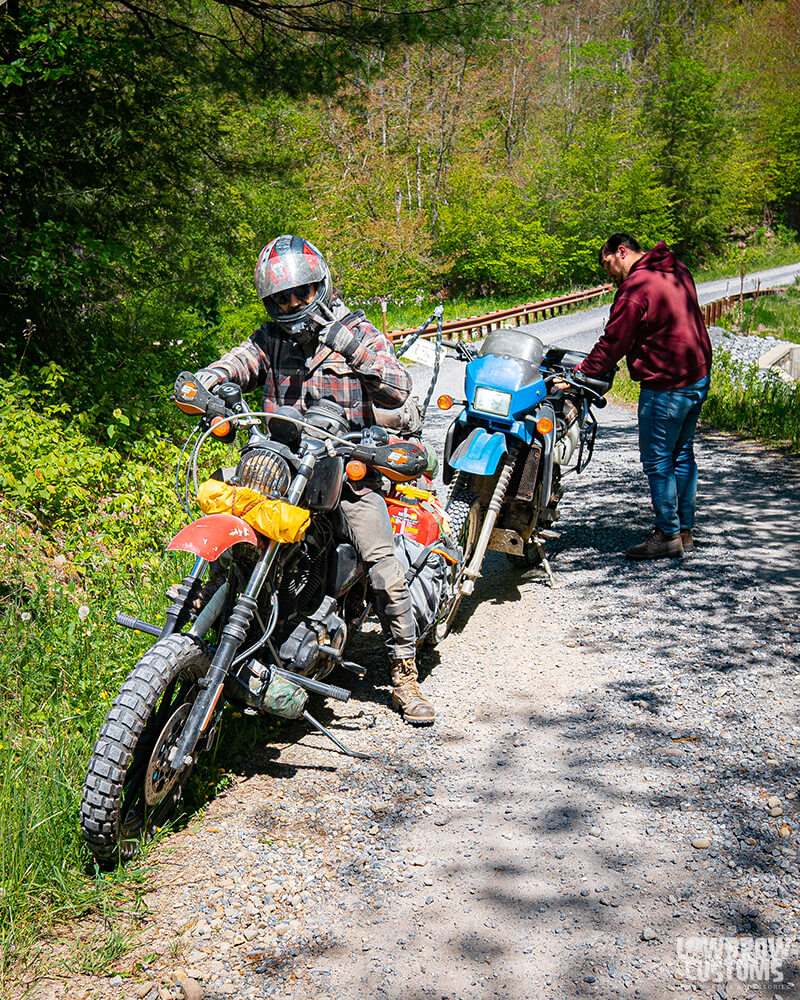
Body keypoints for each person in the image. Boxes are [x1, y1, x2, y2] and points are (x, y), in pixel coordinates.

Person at [192, 234, 435, 724]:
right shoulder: (270, 338)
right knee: (229, 524)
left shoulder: (355, 329)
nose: (292, 304)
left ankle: (403, 670)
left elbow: (397, 388)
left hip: (345, 467)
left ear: (320, 285)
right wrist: (208, 380)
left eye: (301, 293)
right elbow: (241, 361)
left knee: (381, 560)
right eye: (281, 298)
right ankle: (204, 627)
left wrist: (345, 342)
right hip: (279, 464)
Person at [575, 233, 712, 560]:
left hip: (666, 383)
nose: (609, 275)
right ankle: (684, 531)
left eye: (609, 265)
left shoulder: (637, 287)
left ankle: (667, 534)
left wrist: (583, 374)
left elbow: (614, 342)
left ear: (621, 252)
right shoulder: (676, 268)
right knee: (681, 454)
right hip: (698, 375)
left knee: (658, 460)